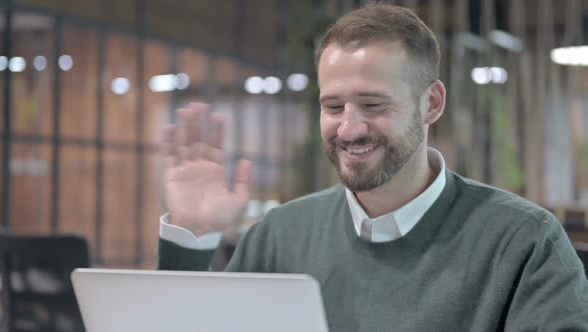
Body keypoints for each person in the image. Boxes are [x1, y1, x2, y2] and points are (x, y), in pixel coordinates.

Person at [156, 3, 588, 331]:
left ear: (431, 103)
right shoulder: (281, 233)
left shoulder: (524, 241)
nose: (349, 128)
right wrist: (191, 239)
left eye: (373, 104)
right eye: (332, 106)